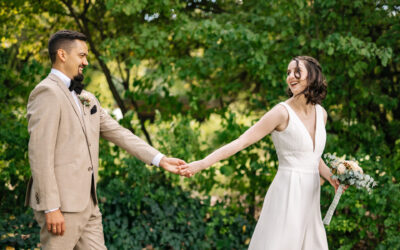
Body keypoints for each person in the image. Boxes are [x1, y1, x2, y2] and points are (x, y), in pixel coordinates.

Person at [25, 30, 186, 250]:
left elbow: (120, 133)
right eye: (82, 56)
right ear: (62, 54)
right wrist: (51, 207)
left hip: (89, 205)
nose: (86, 61)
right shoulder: (46, 92)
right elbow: (40, 154)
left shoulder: (87, 98)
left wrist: (160, 159)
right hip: (61, 207)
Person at [181, 56, 344, 249]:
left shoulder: (321, 113)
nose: (291, 76)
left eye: (297, 72)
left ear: (313, 76)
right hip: (287, 192)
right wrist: (200, 164)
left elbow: (312, 158)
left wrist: (334, 177)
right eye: (288, 72)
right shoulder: (281, 112)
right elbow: (241, 142)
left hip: (310, 196)